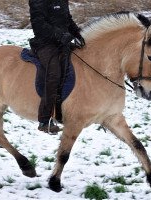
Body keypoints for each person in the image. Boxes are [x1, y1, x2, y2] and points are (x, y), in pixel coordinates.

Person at [29, 0, 85, 134]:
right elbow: (38, 24)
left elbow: (67, 19)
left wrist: (78, 33)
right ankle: (45, 119)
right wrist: (60, 35)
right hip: (45, 44)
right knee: (54, 73)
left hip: (63, 42)